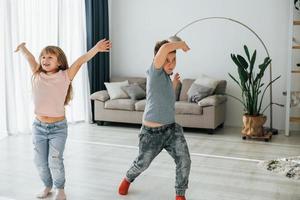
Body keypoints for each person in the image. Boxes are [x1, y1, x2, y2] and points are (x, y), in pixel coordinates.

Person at [15, 39, 111, 200]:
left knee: (55, 159)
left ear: (59, 62)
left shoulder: (65, 75)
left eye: (50, 57)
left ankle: (60, 188)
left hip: (58, 128)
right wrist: (23, 48)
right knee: (39, 161)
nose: (45, 60)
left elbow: (80, 61)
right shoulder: (37, 74)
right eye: (43, 57)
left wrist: (96, 48)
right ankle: (47, 185)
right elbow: (30, 59)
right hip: (38, 127)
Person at [118, 39, 191, 200]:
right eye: (167, 60)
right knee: (142, 163)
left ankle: (180, 194)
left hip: (171, 130)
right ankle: (128, 178)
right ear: (157, 59)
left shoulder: (166, 78)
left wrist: (174, 85)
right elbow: (165, 48)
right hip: (152, 134)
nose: (171, 64)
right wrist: (181, 44)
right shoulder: (154, 71)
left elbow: (165, 99)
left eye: (174, 60)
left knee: (184, 160)